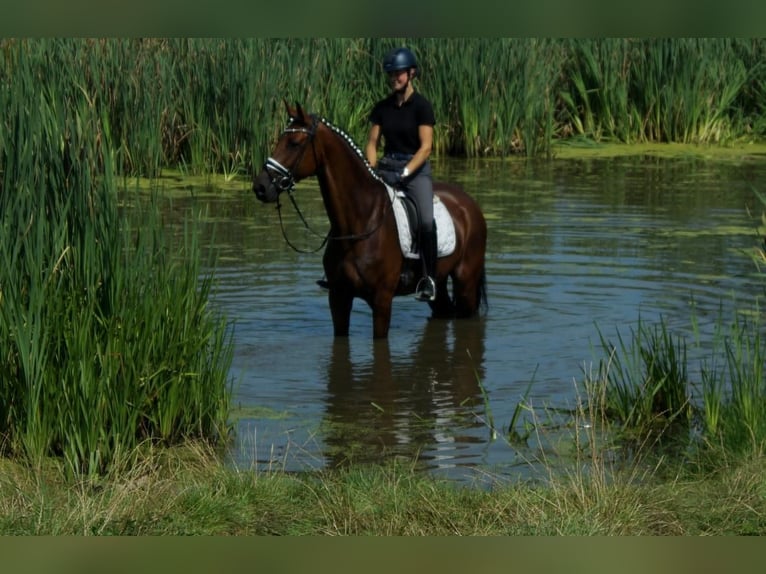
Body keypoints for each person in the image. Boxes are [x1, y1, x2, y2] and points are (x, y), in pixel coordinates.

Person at [365, 46, 437, 302]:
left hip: (414, 170)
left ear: (411, 73)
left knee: (426, 220)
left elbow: (426, 147)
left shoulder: (422, 107)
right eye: (391, 74)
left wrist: (406, 172)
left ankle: (428, 280)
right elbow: (373, 143)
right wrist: (371, 169)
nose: (394, 77)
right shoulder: (382, 108)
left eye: (399, 73)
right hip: (387, 167)